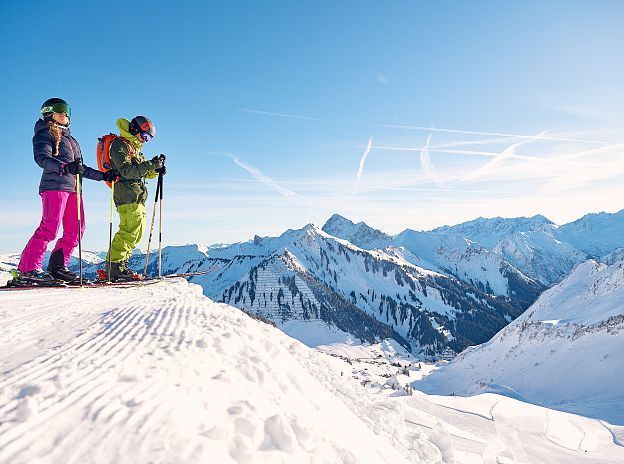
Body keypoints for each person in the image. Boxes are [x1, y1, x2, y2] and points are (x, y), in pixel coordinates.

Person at [16, 98, 118, 284]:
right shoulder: (43, 134)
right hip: (54, 186)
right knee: (49, 228)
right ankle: (28, 269)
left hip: (74, 189)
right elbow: (42, 158)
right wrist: (65, 167)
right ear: (49, 114)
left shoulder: (71, 139)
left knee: (76, 230)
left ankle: (57, 267)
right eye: (60, 111)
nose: (65, 115)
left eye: (67, 111)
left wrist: (103, 176)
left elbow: (80, 168)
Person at [105, 116, 165, 281]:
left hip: (136, 196)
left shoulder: (134, 147)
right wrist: (150, 165)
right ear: (134, 129)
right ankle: (114, 268)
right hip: (126, 194)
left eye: (149, 139)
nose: (146, 141)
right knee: (129, 231)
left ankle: (120, 265)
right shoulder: (120, 145)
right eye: (145, 136)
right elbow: (126, 171)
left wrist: (155, 169)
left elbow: (144, 172)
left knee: (136, 232)